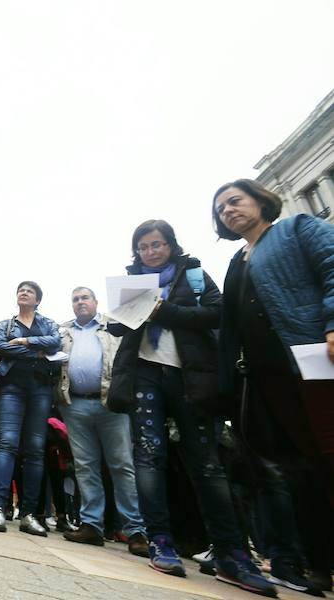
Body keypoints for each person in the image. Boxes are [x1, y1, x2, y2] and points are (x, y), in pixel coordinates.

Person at [106, 219, 276, 597]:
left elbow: (216, 313)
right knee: (149, 457)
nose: (150, 252)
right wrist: (119, 313)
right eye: (143, 247)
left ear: (171, 245)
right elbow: (118, 329)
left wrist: (163, 311)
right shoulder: (132, 280)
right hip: (145, 375)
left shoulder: (194, 273)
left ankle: (231, 553)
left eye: (157, 245)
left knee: (207, 462)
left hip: (191, 376)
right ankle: (160, 541)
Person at [214, 180, 334, 593]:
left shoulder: (298, 227)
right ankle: (319, 563)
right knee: (303, 468)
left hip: (316, 362)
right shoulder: (236, 260)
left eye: (235, 201)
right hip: (269, 378)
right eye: (221, 208)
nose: (228, 210)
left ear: (261, 200)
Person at [56, 286, 149, 557]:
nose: (80, 302)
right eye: (75, 299)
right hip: (75, 405)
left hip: (112, 403)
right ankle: (91, 526)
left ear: (96, 302)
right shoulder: (63, 331)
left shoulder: (115, 326)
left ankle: (135, 531)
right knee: (85, 467)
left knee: (122, 466)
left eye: (85, 297)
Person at [0, 281, 61, 536]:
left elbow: (55, 342)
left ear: (38, 299)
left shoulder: (48, 323)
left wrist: (25, 341)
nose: (24, 292)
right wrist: (36, 353)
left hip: (41, 390)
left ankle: (29, 513)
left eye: (29, 291)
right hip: (12, 389)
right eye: (21, 290)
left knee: (36, 450)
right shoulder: (5, 325)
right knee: (7, 443)